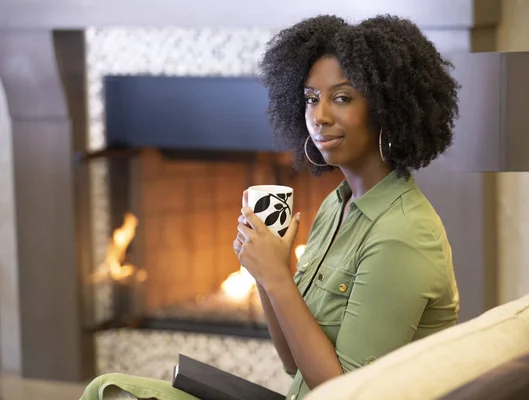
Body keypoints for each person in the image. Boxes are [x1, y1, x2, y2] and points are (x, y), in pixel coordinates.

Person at [81, 14, 460, 400]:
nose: (319, 115)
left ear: (387, 108)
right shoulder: (338, 205)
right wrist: (262, 271)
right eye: (311, 98)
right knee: (109, 389)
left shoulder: (401, 235)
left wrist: (278, 278)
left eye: (342, 98)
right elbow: (293, 363)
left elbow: (347, 392)